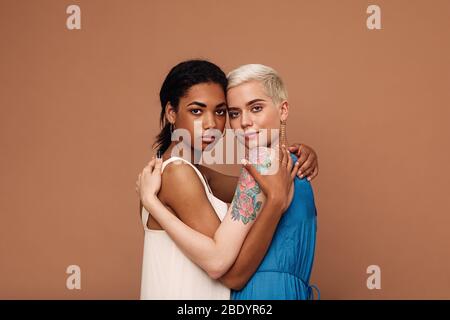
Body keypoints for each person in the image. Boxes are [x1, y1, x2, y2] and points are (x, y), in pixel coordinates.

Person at [136, 60, 319, 299]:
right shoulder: (177, 173)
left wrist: (302, 154)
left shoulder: (195, 173)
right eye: (196, 111)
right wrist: (150, 202)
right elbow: (221, 264)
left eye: (221, 111)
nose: (211, 123)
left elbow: (257, 186)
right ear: (171, 112)